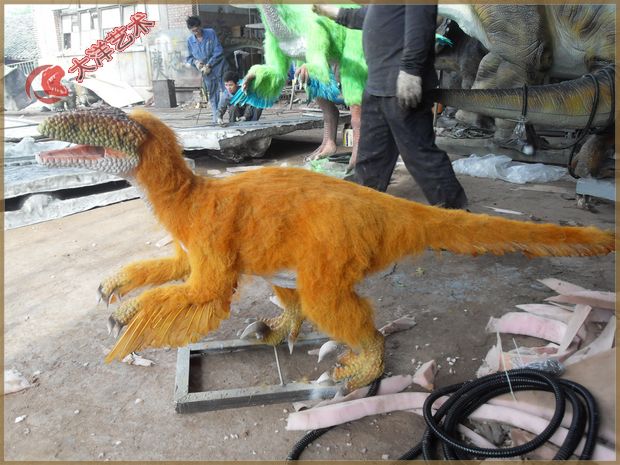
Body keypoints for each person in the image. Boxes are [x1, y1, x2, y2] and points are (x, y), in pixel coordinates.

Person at [313, 5, 467, 209]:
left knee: (420, 155)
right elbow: (376, 16)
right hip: (377, 86)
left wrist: (410, 70)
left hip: (401, 86)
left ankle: (456, 216)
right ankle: (364, 213)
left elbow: (421, 20)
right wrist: (337, 13)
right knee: (371, 159)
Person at [185, 15, 229, 123]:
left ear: (201, 26)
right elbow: (189, 58)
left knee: (227, 92)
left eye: (197, 29)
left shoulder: (210, 33)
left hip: (220, 67)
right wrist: (196, 63)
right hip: (207, 73)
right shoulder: (190, 41)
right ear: (190, 30)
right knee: (213, 95)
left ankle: (234, 116)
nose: (196, 32)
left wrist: (209, 64)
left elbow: (218, 51)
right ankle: (216, 119)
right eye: (193, 31)